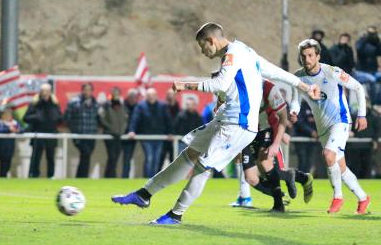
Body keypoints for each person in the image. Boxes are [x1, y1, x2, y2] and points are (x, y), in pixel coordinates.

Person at [112, 22, 319, 224]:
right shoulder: (245, 51)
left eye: (203, 46)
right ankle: (144, 194)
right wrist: (304, 86)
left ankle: (175, 215)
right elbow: (274, 72)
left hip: (238, 124)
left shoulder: (232, 54)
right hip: (225, 119)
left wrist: (186, 84)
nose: (203, 52)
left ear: (211, 40)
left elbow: (221, 83)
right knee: (189, 154)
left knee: (203, 166)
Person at [290, 38, 371, 215]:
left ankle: (338, 196)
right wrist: (294, 111)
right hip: (323, 127)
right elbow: (295, 101)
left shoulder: (331, 72)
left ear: (318, 56)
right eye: (304, 56)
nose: (307, 59)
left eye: (311, 55)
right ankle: (363, 198)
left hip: (340, 121)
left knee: (328, 155)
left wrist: (362, 115)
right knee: (340, 167)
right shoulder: (298, 77)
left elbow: (358, 87)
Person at [229, 79, 313, 211]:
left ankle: (278, 203)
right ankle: (294, 180)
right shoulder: (237, 86)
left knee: (265, 164)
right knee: (251, 178)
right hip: (246, 132)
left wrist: (277, 140)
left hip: (266, 129)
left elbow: (283, 117)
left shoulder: (268, 88)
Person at [128, 87, 172, 178]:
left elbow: (168, 120)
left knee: (156, 159)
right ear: (146, 96)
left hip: (159, 137)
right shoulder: (141, 106)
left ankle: (153, 180)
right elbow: (135, 119)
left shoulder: (162, 106)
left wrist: (170, 132)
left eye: (153, 95)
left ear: (156, 96)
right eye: (149, 95)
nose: (151, 97)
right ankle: (147, 178)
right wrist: (132, 130)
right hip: (146, 137)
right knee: (150, 158)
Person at [24, 83, 63, 178]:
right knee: (36, 157)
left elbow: (60, 118)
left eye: (47, 91)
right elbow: (26, 118)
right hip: (38, 134)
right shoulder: (35, 104)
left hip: (51, 134)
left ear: (50, 92)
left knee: (50, 157)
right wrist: (37, 117)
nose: (45, 93)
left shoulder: (54, 104)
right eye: (43, 91)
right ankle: (33, 175)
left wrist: (55, 118)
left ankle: (51, 175)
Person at [66, 83, 100, 178]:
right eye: (85, 89)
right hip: (79, 135)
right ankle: (82, 176)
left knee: (86, 155)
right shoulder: (74, 102)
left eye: (89, 90)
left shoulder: (95, 103)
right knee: (85, 153)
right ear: (82, 90)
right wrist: (74, 129)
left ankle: (81, 176)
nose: (87, 92)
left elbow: (99, 118)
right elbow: (67, 118)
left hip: (91, 135)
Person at [346, 96, 381, 179]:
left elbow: (378, 130)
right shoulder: (353, 116)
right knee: (355, 167)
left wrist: (375, 140)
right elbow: (348, 129)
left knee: (367, 167)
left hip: (367, 146)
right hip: (355, 147)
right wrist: (349, 132)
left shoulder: (374, 117)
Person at [354, 26, 381, 107]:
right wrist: (365, 38)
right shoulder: (361, 41)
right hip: (361, 71)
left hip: (374, 71)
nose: (371, 35)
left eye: (373, 33)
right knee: (372, 80)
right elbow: (358, 49)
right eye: (370, 33)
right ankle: (373, 102)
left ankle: (378, 102)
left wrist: (378, 40)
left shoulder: (375, 43)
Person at [100, 87, 127, 178]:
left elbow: (125, 119)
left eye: (117, 93)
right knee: (112, 156)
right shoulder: (106, 105)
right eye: (114, 93)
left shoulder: (122, 105)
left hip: (119, 135)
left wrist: (122, 130)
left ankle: (109, 176)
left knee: (116, 157)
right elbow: (101, 118)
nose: (116, 94)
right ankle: (111, 175)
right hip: (109, 135)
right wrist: (111, 128)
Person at [292, 100, 318, 174]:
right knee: (302, 159)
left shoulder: (316, 107)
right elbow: (299, 122)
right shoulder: (300, 106)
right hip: (300, 139)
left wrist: (318, 132)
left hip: (313, 140)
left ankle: (307, 177)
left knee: (309, 160)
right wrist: (311, 132)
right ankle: (301, 177)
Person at [0, 106, 21, 177]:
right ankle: (2, 177)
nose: (8, 116)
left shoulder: (14, 123)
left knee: (8, 164)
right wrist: (8, 130)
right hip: (0, 148)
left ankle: (5, 177)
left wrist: (17, 130)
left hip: (10, 148)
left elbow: (20, 129)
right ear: (2, 115)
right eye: (6, 114)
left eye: (9, 114)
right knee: (1, 165)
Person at [159, 89, 180, 166]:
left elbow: (177, 123)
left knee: (173, 159)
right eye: (169, 94)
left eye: (173, 94)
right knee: (160, 160)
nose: (171, 96)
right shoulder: (162, 106)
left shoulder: (178, 107)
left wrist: (173, 133)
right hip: (163, 137)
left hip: (173, 138)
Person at [121, 88, 139, 178]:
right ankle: (112, 177)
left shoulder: (138, 107)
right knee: (114, 159)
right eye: (131, 97)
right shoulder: (121, 105)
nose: (132, 99)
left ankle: (125, 177)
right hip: (119, 135)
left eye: (134, 97)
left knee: (127, 158)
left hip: (131, 137)